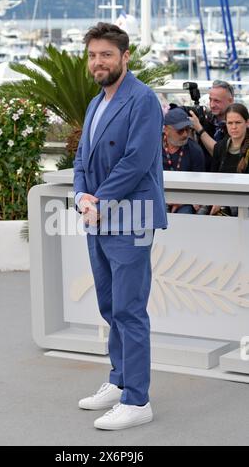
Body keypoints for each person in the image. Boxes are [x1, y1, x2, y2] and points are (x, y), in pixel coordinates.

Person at [73, 22, 167, 431]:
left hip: (131, 219)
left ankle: (138, 399)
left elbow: (136, 160)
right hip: (98, 217)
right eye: (93, 55)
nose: (99, 62)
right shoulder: (97, 103)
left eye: (106, 55)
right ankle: (119, 380)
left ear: (125, 57)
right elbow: (80, 157)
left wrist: (100, 201)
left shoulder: (142, 99)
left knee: (129, 309)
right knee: (110, 306)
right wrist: (80, 196)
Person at [163, 107, 205, 214]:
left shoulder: (195, 150)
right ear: (166, 130)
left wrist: (181, 201)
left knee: (185, 213)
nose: (185, 134)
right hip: (158, 196)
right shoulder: (153, 147)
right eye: (180, 130)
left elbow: (199, 186)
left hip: (185, 199)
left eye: (188, 129)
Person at [210, 103, 249, 216]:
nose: (233, 127)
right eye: (230, 123)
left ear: (247, 123)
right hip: (220, 202)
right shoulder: (219, 147)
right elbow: (212, 178)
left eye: (238, 122)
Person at [189, 80, 234, 171]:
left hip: (228, 179)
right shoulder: (206, 120)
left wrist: (199, 129)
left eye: (217, 101)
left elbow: (220, 154)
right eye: (210, 99)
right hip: (202, 177)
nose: (212, 105)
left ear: (230, 101)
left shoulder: (237, 124)